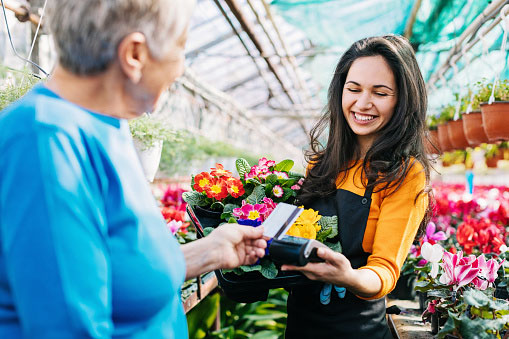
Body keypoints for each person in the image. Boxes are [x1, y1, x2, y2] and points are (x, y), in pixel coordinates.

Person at [0, 0, 267, 338]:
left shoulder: (108, 126)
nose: (182, 67)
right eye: (181, 45)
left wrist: (210, 251)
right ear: (135, 54)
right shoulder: (45, 142)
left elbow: (115, 274)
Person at [281, 35, 431, 338]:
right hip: (301, 324)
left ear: (403, 100)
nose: (363, 103)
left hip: (356, 329)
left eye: (381, 92)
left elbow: (385, 271)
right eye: (353, 89)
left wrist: (348, 276)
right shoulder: (321, 164)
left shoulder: (404, 175)